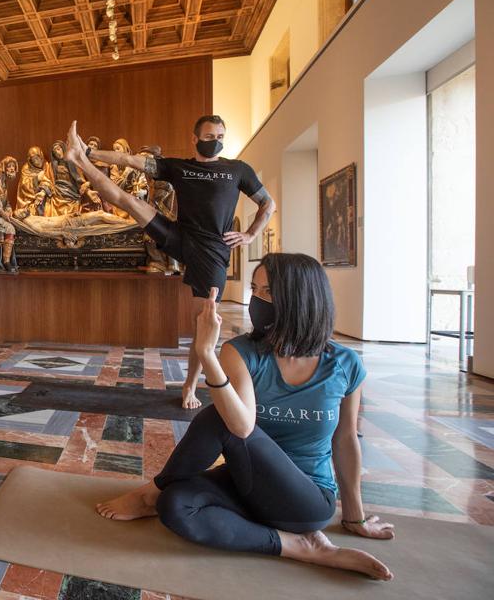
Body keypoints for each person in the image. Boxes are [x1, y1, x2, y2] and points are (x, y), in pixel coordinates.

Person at [95, 254, 395, 581]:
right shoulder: (243, 351)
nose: (257, 300)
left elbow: (345, 439)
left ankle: (148, 493)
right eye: (255, 289)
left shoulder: (344, 363)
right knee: (176, 505)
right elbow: (242, 427)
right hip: (247, 482)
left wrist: (355, 516)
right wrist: (208, 353)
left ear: (300, 298)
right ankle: (297, 546)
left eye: (268, 291)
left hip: (306, 499)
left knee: (215, 416)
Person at [65, 116, 276, 409]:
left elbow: (268, 203)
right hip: (180, 236)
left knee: (203, 324)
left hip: (212, 251)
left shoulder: (237, 170)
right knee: (128, 201)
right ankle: (78, 157)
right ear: (195, 138)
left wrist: (251, 234)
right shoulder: (179, 166)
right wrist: (91, 153)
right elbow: (130, 160)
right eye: (209, 134)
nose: (215, 139)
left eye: (220, 135)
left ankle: (190, 384)